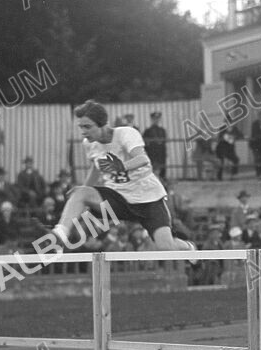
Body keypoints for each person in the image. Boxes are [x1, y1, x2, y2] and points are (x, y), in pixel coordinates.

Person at [42, 100, 197, 257]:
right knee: (80, 193)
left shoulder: (126, 134)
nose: (83, 132)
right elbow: (96, 167)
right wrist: (83, 191)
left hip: (147, 198)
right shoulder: (89, 144)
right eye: (81, 127)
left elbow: (143, 160)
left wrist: (119, 166)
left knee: (166, 248)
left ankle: (188, 247)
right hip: (118, 198)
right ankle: (60, 234)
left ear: (102, 125)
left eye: (87, 127)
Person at [143, 111, 168, 179]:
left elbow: (164, 142)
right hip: (152, 154)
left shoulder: (162, 130)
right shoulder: (147, 131)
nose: (156, 120)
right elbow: (145, 144)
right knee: (152, 172)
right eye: (154, 119)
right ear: (152, 119)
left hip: (161, 155)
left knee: (162, 172)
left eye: (157, 118)